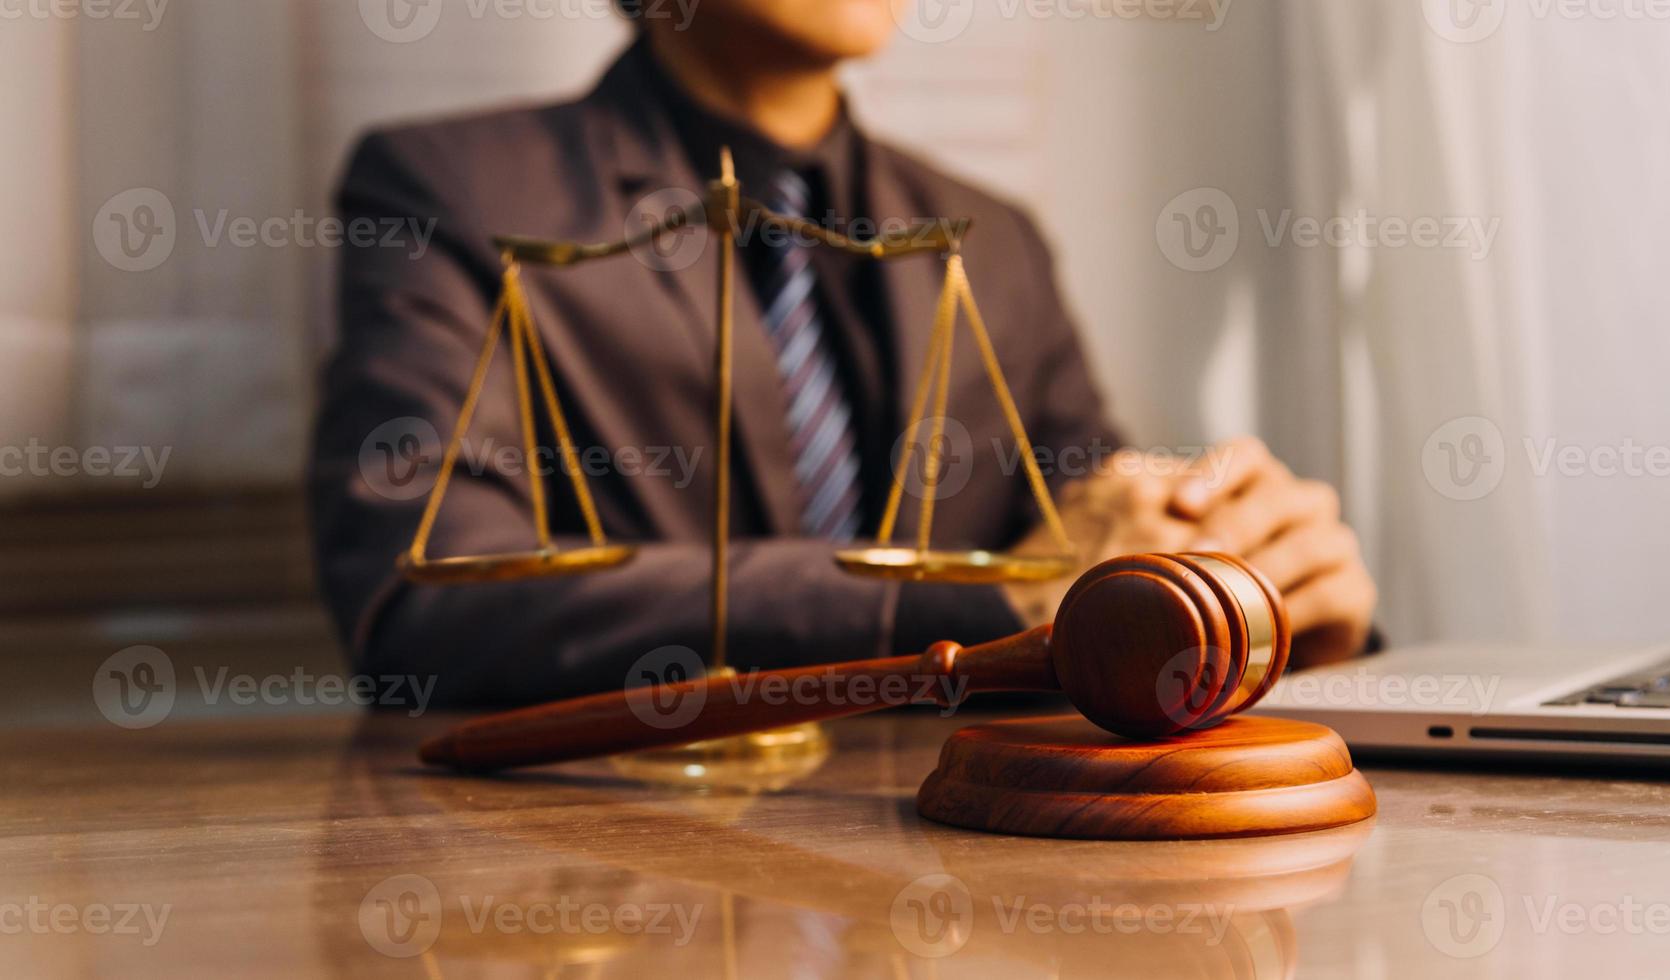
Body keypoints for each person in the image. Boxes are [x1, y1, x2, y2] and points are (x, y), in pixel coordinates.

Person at [308, 0, 1378, 707]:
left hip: (941, 882)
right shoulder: (453, 190)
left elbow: (1086, 533)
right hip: (609, 876)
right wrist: (984, 598)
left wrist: (1238, 587)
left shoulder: (986, 236)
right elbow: (419, 609)